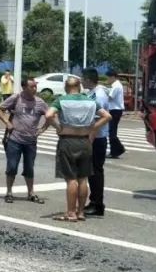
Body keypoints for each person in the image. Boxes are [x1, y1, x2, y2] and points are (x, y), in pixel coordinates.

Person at [45, 75, 110, 222]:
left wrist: (58, 127)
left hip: (68, 140)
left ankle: (71, 212)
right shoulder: (90, 100)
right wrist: (93, 127)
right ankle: (81, 212)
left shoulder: (61, 100)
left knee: (71, 179)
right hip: (85, 141)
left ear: (67, 88)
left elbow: (49, 115)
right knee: (83, 178)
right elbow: (107, 116)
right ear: (79, 86)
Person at [0, 77, 50, 203]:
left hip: (30, 141)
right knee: (12, 166)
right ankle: (9, 192)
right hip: (15, 140)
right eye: (32, 86)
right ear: (24, 87)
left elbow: (51, 115)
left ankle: (31, 193)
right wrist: (7, 123)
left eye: (35, 86)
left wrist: (42, 129)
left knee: (29, 167)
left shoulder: (40, 102)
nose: (35, 89)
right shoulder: (16, 98)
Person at [82, 68, 110, 217]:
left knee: (95, 172)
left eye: (83, 78)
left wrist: (90, 138)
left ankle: (97, 204)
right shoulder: (92, 93)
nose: (81, 80)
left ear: (88, 79)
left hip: (97, 138)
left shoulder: (98, 95)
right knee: (92, 172)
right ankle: (94, 202)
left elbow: (99, 118)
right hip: (94, 136)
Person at [106, 70, 126, 159]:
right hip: (115, 110)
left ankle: (117, 150)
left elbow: (110, 97)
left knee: (111, 131)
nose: (107, 79)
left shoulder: (116, 86)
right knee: (112, 131)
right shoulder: (116, 85)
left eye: (108, 77)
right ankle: (116, 150)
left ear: (113, 77)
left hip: (115, 110)